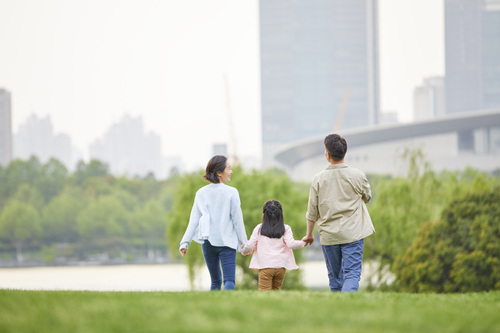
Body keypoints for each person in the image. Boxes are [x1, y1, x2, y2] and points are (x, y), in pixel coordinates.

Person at [302, 134, 375, 292]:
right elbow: (368, 197)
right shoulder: (357, 175)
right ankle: (348, 305)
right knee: (352, 274)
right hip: (353, 233)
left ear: (327, 154)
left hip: (329, 236)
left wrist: (309, 234)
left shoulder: (318, 179)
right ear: (345, 152)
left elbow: (312, 211)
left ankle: (338, 310)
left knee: (335, 278)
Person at [179, 155, 248, 291]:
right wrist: (244, 244)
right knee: (229, 280)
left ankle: (214, 307)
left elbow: (194, 220)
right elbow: (237, 221)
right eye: (229, 168)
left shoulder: (201, 193)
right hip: (227, 243)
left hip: (208, 242)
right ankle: (227, 308)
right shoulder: (232, 192)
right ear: (219, 173)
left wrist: (184, 242)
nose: (231, 171)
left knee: (215, 282)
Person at [241, 200, 306, 290]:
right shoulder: (285, 228)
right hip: (280, 267)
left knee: (265, 294)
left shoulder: (259, 228)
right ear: (281, 214)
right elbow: (292, 244)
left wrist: (244, 252)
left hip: (266, 267)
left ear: (264, 215)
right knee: (275, 292)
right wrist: (304, 242)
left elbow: (249, 246)